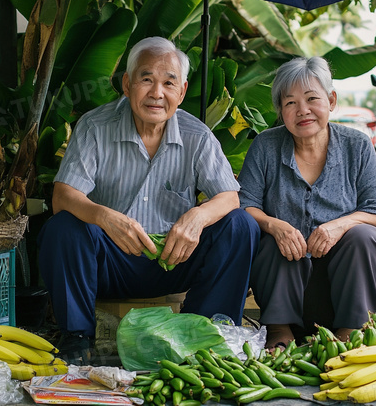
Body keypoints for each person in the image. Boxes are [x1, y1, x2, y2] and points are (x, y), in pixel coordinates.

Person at [38, 36, 260, 364]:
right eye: (146, 80)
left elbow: (229, 197)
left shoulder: (197, 135)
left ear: (182, 92)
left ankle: (208, 331)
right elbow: (63, 196)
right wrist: (103, 216)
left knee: (241, 224)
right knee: (62, 227)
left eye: (169, 83)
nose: (157, 93)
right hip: (111, 261)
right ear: (127, 84)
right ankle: (77, 339)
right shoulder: (95, 127)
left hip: (174, 258)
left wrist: (197, 217)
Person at [237, 56, 376, 350]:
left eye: (312, 99)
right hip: (287, 287)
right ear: (281, 111)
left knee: (363, 235)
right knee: (277, 239)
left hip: (351, 282)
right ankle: (279, 330)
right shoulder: (265, 146)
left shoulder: (358, 145)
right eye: (290, 103)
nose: (303, 111)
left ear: (331, 100)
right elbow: (243, 205)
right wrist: (275, 225)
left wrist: (339, 225)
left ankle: (350, 332)